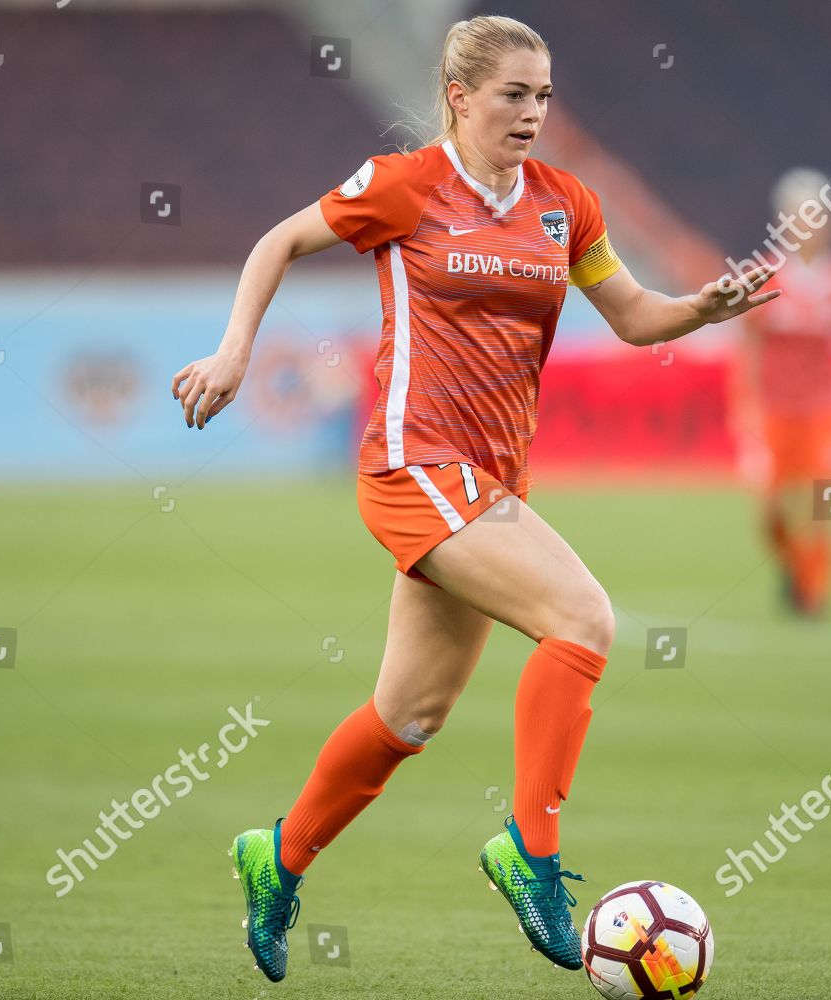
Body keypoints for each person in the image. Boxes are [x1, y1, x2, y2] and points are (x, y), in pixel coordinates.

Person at [170, 15, 778, 982]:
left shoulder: (564, 206)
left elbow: (629, 316)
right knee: (582, 618)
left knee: (408, 715)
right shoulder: (405, 185)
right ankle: (529, 853)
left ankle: (274, 857)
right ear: (460, 97)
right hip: (413, 464)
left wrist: (698, 310)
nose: (533, 112)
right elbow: (280, 240)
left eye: (543, 96)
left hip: (491, 480)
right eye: (513, 94)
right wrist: (235, 348)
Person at [729, 168, 831, 616]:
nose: (809, 227)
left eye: (818, 217)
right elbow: (746, 347)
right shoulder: (761, 277)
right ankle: (793, 565)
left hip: (825, 411)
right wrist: (742, 405)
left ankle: (814, 593)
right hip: (773, 411)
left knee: (827, 505)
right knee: (771, 511)